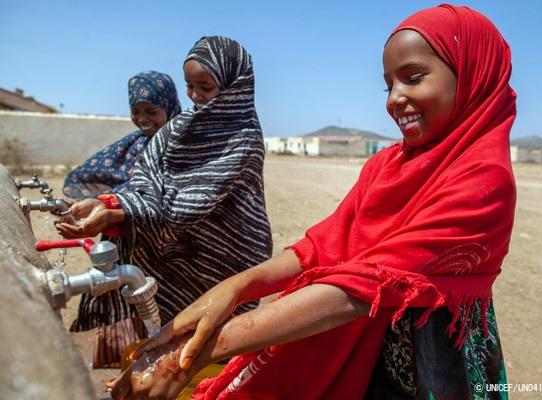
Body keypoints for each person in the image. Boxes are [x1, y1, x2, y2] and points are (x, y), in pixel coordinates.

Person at [108, 4, 517, 399]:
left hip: (432, 361)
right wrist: (235, 287)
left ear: (471, 75)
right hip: (356, 347)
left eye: (412, 78)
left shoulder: (484, 181)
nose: (394, 98)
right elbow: (323, 245)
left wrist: (191, 355)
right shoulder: (387, 165)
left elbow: (362, 287)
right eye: (388, 84)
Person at [56, 36, 273, 368]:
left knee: (202, 351)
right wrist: (110, 203)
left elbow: (189, 206)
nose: (196, 96)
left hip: (218, 260)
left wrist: (121, 211)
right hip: (171, 254)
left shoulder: (244, 140)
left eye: (206, 87)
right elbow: (146, 177)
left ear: (234, 86)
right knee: (156, 345)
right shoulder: (180, 127)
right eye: (190, 86)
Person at [62, 70, 181, 200]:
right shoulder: (136, 143)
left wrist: (108, 203)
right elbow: (87, 173)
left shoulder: (182, 144)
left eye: (151, 112)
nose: (142, 119)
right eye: (135, 111)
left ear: (170, 107)